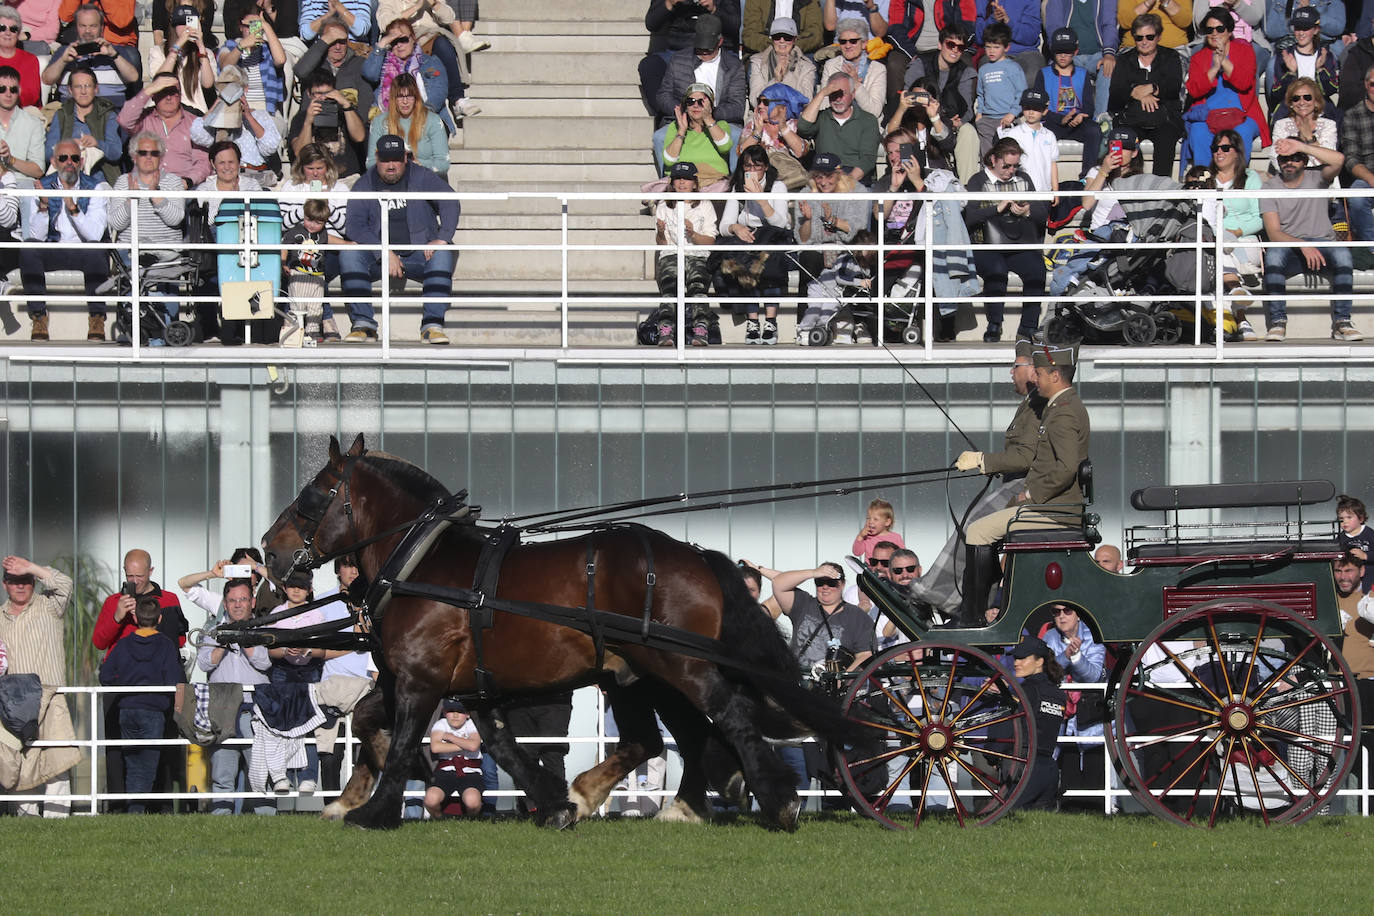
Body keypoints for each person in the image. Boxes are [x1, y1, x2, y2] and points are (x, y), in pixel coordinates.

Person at [955, 344, 1090, 624]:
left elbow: (1065, 469)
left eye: (1038, 373)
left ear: (1054, 375)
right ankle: (982, 598)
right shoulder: (1062, 407)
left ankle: (972, 616)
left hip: (1055, 511)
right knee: (985, 528)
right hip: (1053, 507)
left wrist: (1029, 495)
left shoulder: (1063, 413)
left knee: (978, 531)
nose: (1035, 379)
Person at [340, 133, 460, 344]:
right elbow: (355, 226)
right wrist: (384, 251)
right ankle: (363, 323)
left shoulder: (421, 176)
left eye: (396, 159)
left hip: (419, 253)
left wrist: (442, 237)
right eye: (385, 160)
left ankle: (432, 325)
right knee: (349, 254)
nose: (391, 165)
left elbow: (450, 201)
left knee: (443, 252)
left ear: (406, 158)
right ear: (377, 158)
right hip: (378, 257)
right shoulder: (364, 183)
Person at [1259, 135, 1361, 341]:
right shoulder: (1269, 188)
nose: (1289, 162)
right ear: (1277, 161)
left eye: (1296, 157)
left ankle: (1343, 321)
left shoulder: (1317, 178)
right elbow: (1274, 233)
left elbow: (1339, 160)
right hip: (1290, 245)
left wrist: (1301, 146)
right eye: (1284, 158)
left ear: (1305, 161)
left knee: (1343, 255)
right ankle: (1278, 321)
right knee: (1273, 256)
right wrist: (1304, 245)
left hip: (1323, 243)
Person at [0, 555, 76, 816]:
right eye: (14, 581)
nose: (20, 586)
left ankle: (58, 818)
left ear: (33, 582)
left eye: (26, 581)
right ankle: (26, 818)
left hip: (51, 695)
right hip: (14, 703)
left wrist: (31, 567)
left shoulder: (49, 606)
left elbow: (65, 583)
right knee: (21, 761)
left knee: (57, 760)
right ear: (4, 585)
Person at [99, 595, 187, 814]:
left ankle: (134, 810)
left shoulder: (123, 644)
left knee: (132, 763)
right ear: (159, 619)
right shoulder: (166, 645)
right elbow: (174, 679)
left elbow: (106, 675)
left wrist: (125, 682)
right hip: (154, 712)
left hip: (126, 710)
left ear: (136, 618)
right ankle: (136, 812)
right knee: (147, 765)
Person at [18, 139, 110, 343]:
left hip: (85, 251)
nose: (69, 162)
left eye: (74, 158)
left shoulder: (96, 186)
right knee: (29, 249)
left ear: (81, 161)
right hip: (55, 249)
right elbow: (36, 236)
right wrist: (43, 206)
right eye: (63, 158)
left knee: (97, 248)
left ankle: (96, 317)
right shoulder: (43, 185)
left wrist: (72, 207)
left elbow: (94, 234)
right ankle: (39, 316)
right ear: (54, 161)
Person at [196, 578, 275, 814]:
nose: (238, 605)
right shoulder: (213, 632)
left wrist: (245, 640)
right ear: (225, 604)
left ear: (252, 601)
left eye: (242, 599)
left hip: (256, 710)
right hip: (223, 710)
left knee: (261, 774)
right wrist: (225, 641)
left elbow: (265, 662)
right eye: (232, 600)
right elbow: (204, 663)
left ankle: (269, 825)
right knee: (222, 773)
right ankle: (221, 822)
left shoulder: (263, 630)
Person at [963, 137, 1047, 343]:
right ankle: (994, 323)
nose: (1011, 170)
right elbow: (967, 218)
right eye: (1006, 166)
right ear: (993, 159)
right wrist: (995, 209)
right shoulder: (978, 181)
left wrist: (1027, 210)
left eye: (1015, 166)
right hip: (985, 245)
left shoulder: (1024, 180)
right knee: (996, 269)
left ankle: (1028, 326)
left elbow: (1041, 213)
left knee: (1037, 268)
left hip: (1018, 243)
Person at [714, 144, 791, 345]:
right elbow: (723, 226)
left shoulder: (777, 186)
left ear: (765, 167)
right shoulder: (738, 187)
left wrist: (761, 199)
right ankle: (753, 321)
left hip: (773, 236)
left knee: (769, 261)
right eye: (747, 166)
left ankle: (771, 321)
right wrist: (735, 228)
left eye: (757, 166)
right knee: (742, 262)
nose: (752, 171)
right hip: (747, 236)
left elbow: (781, 223)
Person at [652, 14, 747, 172]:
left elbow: (737, 106)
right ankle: (667, 184)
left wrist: (709, 114)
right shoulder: (678, 59)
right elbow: (663, 96)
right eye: (700, 48)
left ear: (720, 42)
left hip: (719, 120)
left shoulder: (734, 65)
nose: (703, 52)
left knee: (737, 137)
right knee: (659, 137)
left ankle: (734, 188)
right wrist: (686, 111)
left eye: (708, 49)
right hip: (684, 119)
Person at [279, 142, 350, 340]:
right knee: (306, 271)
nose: (315, 173)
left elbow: (345, 228)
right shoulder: (291, 187)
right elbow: (283, 224)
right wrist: (306, 207)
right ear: (301, 167)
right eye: (310, 169)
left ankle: (295, 325)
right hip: (298, 248)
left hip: (330, 246)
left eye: (320, 168)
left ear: (328, 166)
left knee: (314, 268)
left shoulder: (340, 189)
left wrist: (326, 206)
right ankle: (325, 321)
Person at [1041, 602, 1108, 811]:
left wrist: (1077, 658)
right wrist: (1067, 656)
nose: (1061, 616)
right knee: (1067, 762)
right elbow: (1047, 672)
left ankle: (1096, 811)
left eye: (1067, 611)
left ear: (1078, 615)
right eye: (1056, 612)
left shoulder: (1095, 635)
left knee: (1094, 764)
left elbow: (1094, 675)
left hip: (1091, 712)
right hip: (1063, 715)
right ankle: (1070, 811)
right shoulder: (1050, 638)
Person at [1183, 9, 1268, 172]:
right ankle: (1205, 181)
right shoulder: (1199, 57)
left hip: (1242, 115)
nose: (1214, 34)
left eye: (1220, 29)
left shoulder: (1244, 51)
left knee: (1242, 132)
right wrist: (1214, 68)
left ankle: (1236, 179)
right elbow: (1194, 90)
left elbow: (1244, 83)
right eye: (1209, 30)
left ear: (1229, 31)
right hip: (1208, 116)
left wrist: (1224, 62)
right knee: (1198, 131)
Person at [373, 0, 481, 124]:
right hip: (402, 39)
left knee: (443, 44)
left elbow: (449, 18)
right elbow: (384, 23)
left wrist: (435, 4)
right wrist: (417, 7)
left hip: (429, 36)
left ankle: (457, 99)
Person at [1107, 13, 1184, 177]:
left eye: (1150, 37)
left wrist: (1152, 88)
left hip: (1164, 118)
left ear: (1159, 37)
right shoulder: (1124, 60)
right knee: (1123, 139)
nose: (1144, 42)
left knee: (1166, 139)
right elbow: (1116, 93)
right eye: (1139, 37)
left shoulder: (1170, 57)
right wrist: (1134, 92)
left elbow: (1173, 86)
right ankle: (1123, 185)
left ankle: (1160, 190)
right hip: (1132, 118)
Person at [649, 160, 715, 346]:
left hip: (698, 254)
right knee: (669, 287)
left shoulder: (705, 205)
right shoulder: (664, 205)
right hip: (671, 254)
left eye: (686, 178)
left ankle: (700, 330)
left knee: (697, 287)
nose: (681, 182)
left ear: (695, 183)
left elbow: (710, 241)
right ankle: (666, 331)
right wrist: (661, 232)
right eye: (677, 178)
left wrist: (693, 234)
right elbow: (662, 244)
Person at [902, 24, 980, 181]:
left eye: (960, 47)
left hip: (949, 123)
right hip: (919, 118)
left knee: (969, 131)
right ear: (940, 44)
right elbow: (908, 96)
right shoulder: (920, 64)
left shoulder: (965, 72)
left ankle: (968, 191)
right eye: (950, 45)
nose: (955, 50)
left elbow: (968, 109)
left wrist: (957, 123)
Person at [1208, 127, 1265, 339]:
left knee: (1221, 251)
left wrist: (1237, 230)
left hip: (1245, 241)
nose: (1218, 152)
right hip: (1215, 242)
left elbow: (1260, 216)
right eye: (1215, 148)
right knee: (1220, 249)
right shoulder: (1206, 178)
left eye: (1224, 147)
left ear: (1237, 152)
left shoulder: (1250, 178)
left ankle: (1233, 318)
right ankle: (1240, 315)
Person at [117, 74, 213, 188]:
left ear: (180, 95)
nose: (168, 97)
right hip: (143, 186)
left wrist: (188, 181)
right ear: (153, 95)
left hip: (181, 187)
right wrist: (148, 90)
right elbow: (124, 120)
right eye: (163, 92)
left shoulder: (194, 123)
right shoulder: (142, 120)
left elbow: (202, 162)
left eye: (173, 92)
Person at [1007, 636, 1066, 810]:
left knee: (1007, 822)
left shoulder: (1024, 691)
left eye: (1023, 658)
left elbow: (1006, 729)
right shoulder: (1059, 695)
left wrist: (994, 755)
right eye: (1016, 658)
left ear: (1039, 661)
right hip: (1049, 768)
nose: (1016, 663)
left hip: (1023, 766)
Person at [41, 4, 143, 105]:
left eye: (93, 26)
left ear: (101, 27)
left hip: (110, 113)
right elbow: (47, 79)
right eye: (83, 26)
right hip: (72, 115)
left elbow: (133, 77)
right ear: (76, 27)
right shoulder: (65, 51)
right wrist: (62, 61)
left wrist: (114, 55)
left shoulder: (115, 51)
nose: (88, 31)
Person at [1036, 28, 1102, 179]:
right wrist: (1060, 119)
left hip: (1077, 122)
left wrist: (1081, 116)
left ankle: (1088, 176)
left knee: (1094, 130)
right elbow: (1040, 107)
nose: (1063, 56)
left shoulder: (1082, 73)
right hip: (1054, 121)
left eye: (1068, 51)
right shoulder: (1044, 73)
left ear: (1075, 52)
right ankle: (1044, 176)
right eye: (1059, 52)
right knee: (1042, 133)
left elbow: (1088, 105)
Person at [190, 76, 283, 180]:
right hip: (225, 175)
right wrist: (219, 102)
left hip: (254, 175)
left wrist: (248, 116)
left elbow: (270, 147)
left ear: (245, 88)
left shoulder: (260, 115)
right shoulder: (216, 117)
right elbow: (197, 135)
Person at [362, 19, 451, 126]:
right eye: (394, 41)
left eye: (403, 39)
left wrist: (421, 114)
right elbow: (369, 74)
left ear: (413, 38)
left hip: (425, 118)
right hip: (388, 120)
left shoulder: (430, 62)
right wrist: (382, 44)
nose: (399, 45)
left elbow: (439, 91)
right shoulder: (382, 62)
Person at [1043, 0, 1118, 126]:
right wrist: (1063, 51)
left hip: (1098, 54)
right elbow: (1054, 27)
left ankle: (1100, 120)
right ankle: (1062, 119)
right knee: (1058, 70)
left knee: (1108, 67)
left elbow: (1110, 24)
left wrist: (1109, 53)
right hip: (1069, 54)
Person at [46, 67, 124, 186]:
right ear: (70, 90)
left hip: (99, 179)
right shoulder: (62, 115)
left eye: (87, 86)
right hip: (65, 178)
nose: (83, 91)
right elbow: (47, 154)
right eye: (78, 87)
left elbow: (116, 153)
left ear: (96, 89)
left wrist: (97, 143)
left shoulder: (108, 115)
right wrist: (69, 146)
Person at [798, 71, 881, 183]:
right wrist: (821, 94)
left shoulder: (867, 120)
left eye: (842, 94)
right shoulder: (822, 117)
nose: (838, 99)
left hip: (854, 178)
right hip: (824, 175)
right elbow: (803, 127)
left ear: (853, 94)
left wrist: (846, 183)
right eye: (833, 94)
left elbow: (867, 159)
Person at [292, 15, 375, 123]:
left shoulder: (359, 64)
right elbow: (300, 71)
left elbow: (365, 101)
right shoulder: (314, 64)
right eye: (332, 41)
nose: (338, 47)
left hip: (347, 126)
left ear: (347, 41)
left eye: (341, 41)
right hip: (312, 123)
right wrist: (325, 40)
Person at [289, 68, 367, 180]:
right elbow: (299, 153)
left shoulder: (346, 113)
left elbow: (359, 137)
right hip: (315, 180)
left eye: (327, 93)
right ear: (309, 94)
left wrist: (346, 104)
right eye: (318, 94)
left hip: (345, 179)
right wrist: (308, 121)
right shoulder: (301, 118)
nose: (323, 98)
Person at [365, 72, 448, 174]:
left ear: (416, 98)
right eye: (400, 96)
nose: (405, 101)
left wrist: (417, 165)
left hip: (424, 179)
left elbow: (443, 164)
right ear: (393, 98)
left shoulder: (433, 121)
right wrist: (396, 166)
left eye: (409, 96)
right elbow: (371, 163)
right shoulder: (379, 122)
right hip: (391, 181)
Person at [146, 5, 218, 116]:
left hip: (195, 113)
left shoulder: (205, 53)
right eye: (181, 23)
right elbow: (160, 80)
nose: (186, 28)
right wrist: (177, 46)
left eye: (189, 23)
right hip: (164, 113)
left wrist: (201, 47)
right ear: (173, 26)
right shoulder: (158, 51)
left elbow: (208, 84)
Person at [219, 6, 289, 118]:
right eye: (249, 26)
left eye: (257, 25)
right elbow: (225, 67)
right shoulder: (230, 46)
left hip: (265, 108)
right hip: (237, 108)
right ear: (241, 27)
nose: (254, 30)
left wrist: (265, 25)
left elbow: (281, 60)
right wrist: (242, 46)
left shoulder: (267, 49)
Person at [1268, 5, 1340, 112]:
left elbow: (1331, 90)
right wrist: (1291, 73)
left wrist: (1320, 70)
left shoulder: (1325, 55)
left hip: (1319, 108)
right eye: (1297, 28)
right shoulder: (1285, 56)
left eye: (1305, 28)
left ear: (1316, 30)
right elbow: (1276, 94)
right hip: (1291, 108)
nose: (1301, 33)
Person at [1336, 553, 1374, 757]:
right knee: (1343, 746)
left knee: (1367, 746)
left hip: (1366, 683)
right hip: (1337, 686)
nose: (1343, 577)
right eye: (1338, 571)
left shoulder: (1368, 604)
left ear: (1361, 572)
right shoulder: (1327, 605)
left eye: (1348, 570)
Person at [662, 82, 734, 184]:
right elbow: (669, 160)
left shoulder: (721, 125)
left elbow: (725, 147)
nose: (696, 105)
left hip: (713, 182)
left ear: (710, 105)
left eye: (701, 102)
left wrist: (707, 118)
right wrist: (681, 131)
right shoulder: (675, 127)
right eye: (691, 101)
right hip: (683, 184)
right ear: (686, 106)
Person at [423, 698, 484, 818]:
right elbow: (435, 747)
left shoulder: (472, 724)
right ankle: (439, 820)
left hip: (470, 772)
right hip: (445, 771)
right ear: (445, 712)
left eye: (460, 711)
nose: (455, 715)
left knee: (473, 802)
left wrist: (449, 736)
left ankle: (471, 822)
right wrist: (464, 744)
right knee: (430, 799)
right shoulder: (440, 724)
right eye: (451, 711)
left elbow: (473, 745)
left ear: (467, 714)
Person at [974, 22, 1026, 155]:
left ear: (1006, 47)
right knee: (988, 154)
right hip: (987, 119)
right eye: (988, 47)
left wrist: (1012, 114)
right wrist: (979, 115)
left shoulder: (1013, 67)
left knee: (1007, 153)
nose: (991, 51)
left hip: (1007, 119)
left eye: (996, 47)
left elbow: (1022, 93)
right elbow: (981, 94)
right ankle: (988, 173)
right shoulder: (983, 69)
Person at [820, 17, 886, 118]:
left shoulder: (878, 70)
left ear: (864, 43)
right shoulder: (831, 65)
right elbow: (822, 105)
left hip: (865, 128)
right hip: (836, 124)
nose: (847, 46)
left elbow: (874, 112)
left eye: (853, 41)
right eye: (843, 41)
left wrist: (856, 85)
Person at [746, 16, 819, 106]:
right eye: (777, 37)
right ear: (771, 39)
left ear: (795, 39)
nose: (782, 41)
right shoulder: (757, 62)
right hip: (764, 115)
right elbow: (754, 100)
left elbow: (806, 101)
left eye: (787, 37)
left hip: (795, 116)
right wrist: (776, 81)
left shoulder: (807, 67)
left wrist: (786, 77)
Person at [998, 87, 1058, 193]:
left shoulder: (1049, 135)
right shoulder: (1013, 134)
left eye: (1036, 108)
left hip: (1044, 191)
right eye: (1027, 108)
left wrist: (1056, 191)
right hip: (1020, 191)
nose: (1031, 112)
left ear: (1045, 110)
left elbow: (1053, 164)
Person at [1271, 76, 1338, 168]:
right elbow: (1275, 158)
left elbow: (1330, 161)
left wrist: (1310, 138)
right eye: (1296, 98)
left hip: (1322, 177)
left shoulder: (1329, 125)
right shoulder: (1281, 125)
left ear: (1316, 102)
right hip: (1290, 176)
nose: (1301, 102)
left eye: (1307, 97)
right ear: (1291, 103)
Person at [0, 65, 44, 180]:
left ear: (19, 91)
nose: (8, 94)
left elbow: (38, 170)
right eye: (2, 89)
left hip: (21, 185)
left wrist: (11, 159)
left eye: (13, 90)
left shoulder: (33, 124)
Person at [744, 2, 824, 55]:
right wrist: (775, 46)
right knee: (755, 71)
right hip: (763, 50)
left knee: (811, 72)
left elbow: (815, 34)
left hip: (800, 51)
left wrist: (793, 47)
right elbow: (749, 34)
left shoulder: (810, 1)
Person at [0, 5, 40, 107]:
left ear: (18, 34)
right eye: (2, 28)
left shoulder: (30, 60)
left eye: (13, 29)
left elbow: (32, 96)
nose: (7, 33)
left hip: (23, 110)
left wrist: (7, 103)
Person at [1117, 0, 1192, 51]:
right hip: (1135, 48)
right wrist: (1148, 3)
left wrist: (1166, 2)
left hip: (1173, 48)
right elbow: (1125, 22)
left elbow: (1185, 21)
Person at [1339, 494, 1374, 590]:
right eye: (1341, 519)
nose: (1344, 522)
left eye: (1349, 517)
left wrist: (1365, 556)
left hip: (1370, 574)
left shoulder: (1369, 533)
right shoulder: (1341, 538)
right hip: (1351, 577)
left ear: (1361, 518)